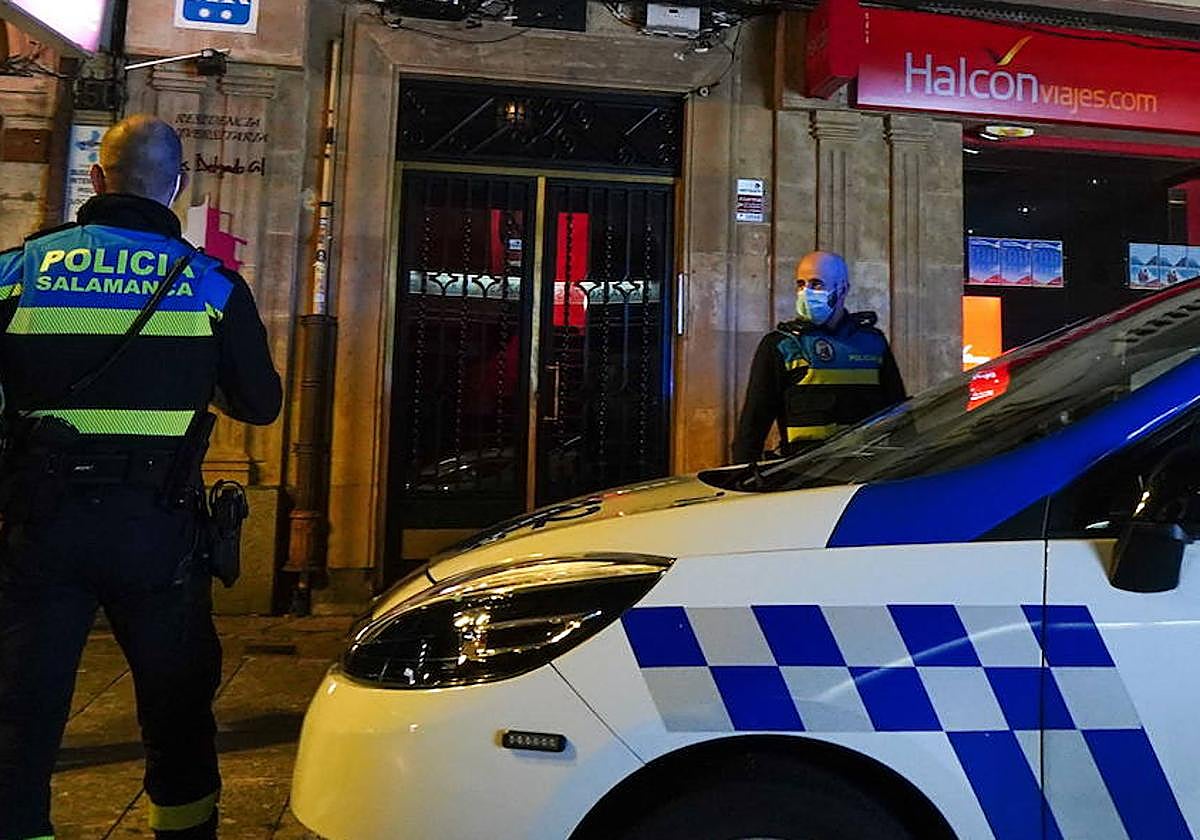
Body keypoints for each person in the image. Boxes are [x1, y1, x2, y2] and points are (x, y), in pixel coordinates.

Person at [0, 116, 281, 839]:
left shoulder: (17, 271)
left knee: (20, 719)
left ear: (97, 179)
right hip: (158, 532)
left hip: (39, 525)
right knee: (178, 711)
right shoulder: (210, 284)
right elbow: (260, 403)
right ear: (178, 187)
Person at [732, 250, 906, 464]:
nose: (806, 293)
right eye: (801, 284)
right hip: (804, 475)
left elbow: (901, 419)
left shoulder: (873, 343)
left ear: (843, 289)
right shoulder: (781, 345)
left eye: (817, 284)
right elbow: (752, 427)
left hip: (863, 472)